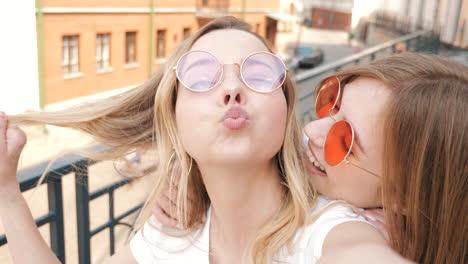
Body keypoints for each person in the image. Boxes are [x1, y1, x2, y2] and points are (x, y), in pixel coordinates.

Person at [0, 16, 410, 264]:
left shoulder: (333, 234)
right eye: (200, 74)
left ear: (286, 110)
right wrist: (7, 192)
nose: (232, 87)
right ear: (174, 119)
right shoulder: (170, 233)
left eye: (260, 72)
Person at [156, 52, 468, 264]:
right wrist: (189, 177)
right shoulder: (325, 166)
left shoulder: (368, 235)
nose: (311, 130)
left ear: (402, 199)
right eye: (331, 103)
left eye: (344, 140)